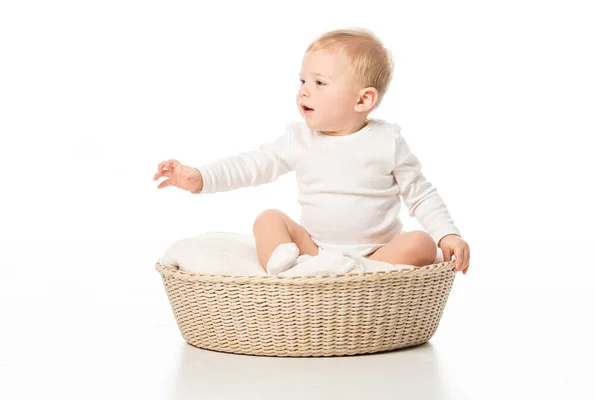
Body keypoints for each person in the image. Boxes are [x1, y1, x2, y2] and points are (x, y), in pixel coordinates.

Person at [153, 28, 471, 276]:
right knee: (268, 219)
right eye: (303, 80)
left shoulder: (387, 141)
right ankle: (291, 270)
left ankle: (363, 275)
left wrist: (447, 235)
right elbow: (252, 164)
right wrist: (201, 178)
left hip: (379, 251)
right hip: (315, 250)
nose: (304, 89)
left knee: (421, 244)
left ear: (363, 100)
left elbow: (421, 195)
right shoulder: (299, 138)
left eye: (320, 82)